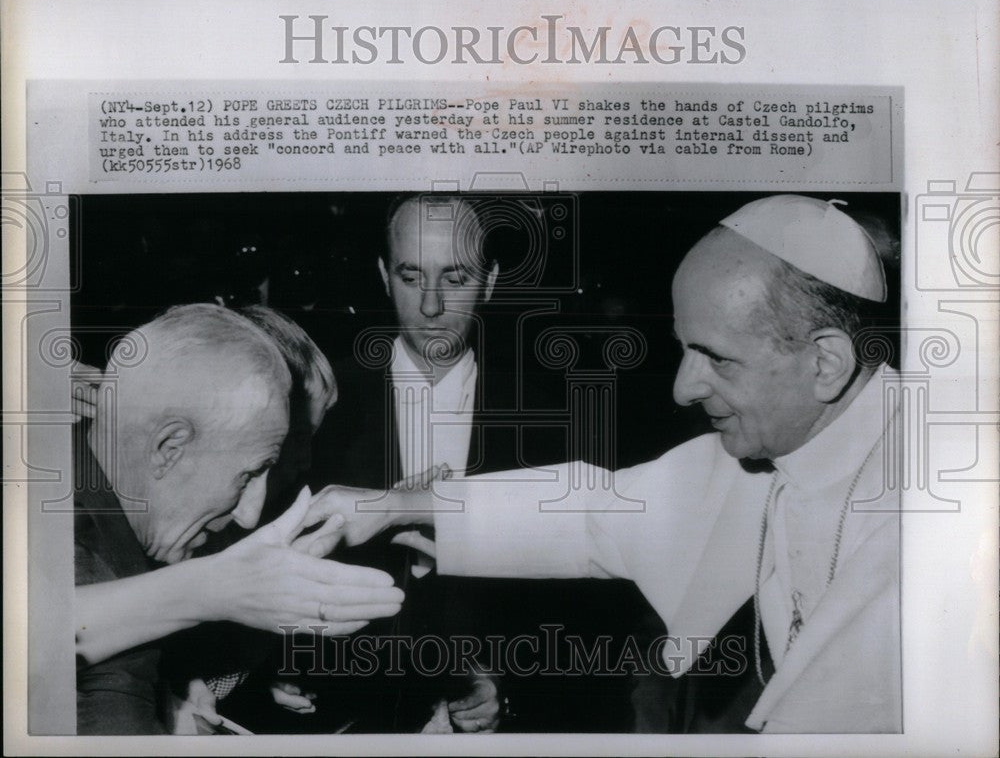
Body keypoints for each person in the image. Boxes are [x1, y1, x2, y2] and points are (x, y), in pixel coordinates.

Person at [302, 195, 903, 734]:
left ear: (826, 363)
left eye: (716, 358)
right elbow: (593, 511)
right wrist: (396, 504)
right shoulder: (782, 450)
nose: (682, 389)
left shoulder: (923, 516)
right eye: (682, 349)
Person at [306, 194, 636, 732]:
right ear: (384, 275)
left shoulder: (558, 420)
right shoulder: (321, 407)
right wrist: (280, 669)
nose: (432, 306)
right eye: (412, 278)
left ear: (489, 281)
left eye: (455, 279)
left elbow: (594, 609)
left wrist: (507, 683)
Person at [73, 303, 404, 734]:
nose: (248, 516)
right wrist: (215, 589)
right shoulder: (80, 556)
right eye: (249, 473)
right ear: (170, 447)